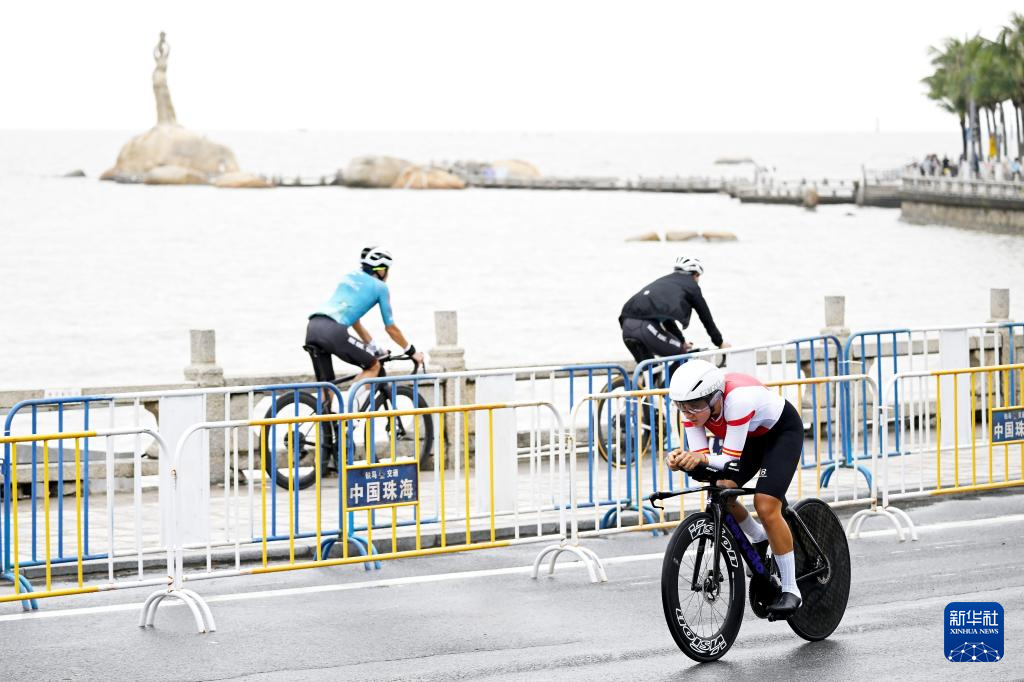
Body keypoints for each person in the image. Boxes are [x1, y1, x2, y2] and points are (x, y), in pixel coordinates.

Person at [664, 359, 804, 617]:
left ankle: (791, 590)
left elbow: (728, 459)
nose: (688, 412)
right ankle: (759, 537)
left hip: (781, 434)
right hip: (750, 438)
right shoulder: (692, 413)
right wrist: (679, 461)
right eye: (681, 406)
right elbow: (704, 462)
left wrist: (699, 458)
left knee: (765, 505)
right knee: (721, 491)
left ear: (715, 398)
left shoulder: (737, 401)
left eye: (694, 406)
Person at [305, 246, 424, 393]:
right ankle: (350, 405)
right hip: (333, 332)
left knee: (327, 385)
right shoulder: (381, 287)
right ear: (381, 270)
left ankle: (326, 408)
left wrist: (374, 348)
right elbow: (391, 328)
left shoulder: (349, 276)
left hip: (313, 327)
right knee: (374, 366)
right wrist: (411, 351)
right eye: (387, 269)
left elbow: (356, 323)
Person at [618, 256, 729, 366]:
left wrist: (681, 341)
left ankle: (648, 378)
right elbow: (706, 317)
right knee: (682, 356)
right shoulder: (691, 286)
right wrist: (719, 342)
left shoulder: (665, 282)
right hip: (645, 328)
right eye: (698, 276)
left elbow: (668, 321)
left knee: (651, 371)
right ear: (696, 274)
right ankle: (671, 379)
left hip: (626, 328)